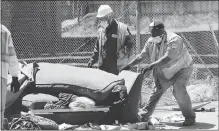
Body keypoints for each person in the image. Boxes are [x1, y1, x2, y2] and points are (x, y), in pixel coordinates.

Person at [121, 21, 196, 126]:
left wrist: (151, 66)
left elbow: (167, 58)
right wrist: (129, 65)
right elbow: (142, 56)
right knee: (156, 92)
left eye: (152, 32)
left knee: (179, 90)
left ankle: (190, 117)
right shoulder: (151, 40)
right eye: (150, 32)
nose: (151, 35)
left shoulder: (174, 39)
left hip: (182, 69)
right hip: (164, 70)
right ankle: (143, 116)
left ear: (161, 30)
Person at [88, 5, 134, 75]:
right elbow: (97, 47)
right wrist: (92, 60)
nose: (101, 21)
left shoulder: (122, 28)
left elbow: (130, 45)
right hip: (104, 67)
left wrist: (123, 52)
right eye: (100, 19)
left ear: (109, 17)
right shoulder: (101, 30)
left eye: (103, 19)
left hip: (117, 67)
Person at [1, 24, 20, 129]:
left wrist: (14, 76)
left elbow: (12, 55)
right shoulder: (4, 31)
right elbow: (12, 56)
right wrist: (14, 76)